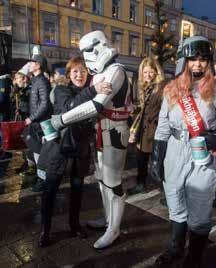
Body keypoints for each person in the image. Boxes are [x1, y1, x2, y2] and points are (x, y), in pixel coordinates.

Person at [150, 36, 216, 267]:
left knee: (199, 212)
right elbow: (163, 126)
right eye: (193, 59)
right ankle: (176, 249)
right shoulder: (171, 89)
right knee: (175, 205)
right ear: (185, 61)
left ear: (209, 62)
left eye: (203, 60)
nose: (197, 64)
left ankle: (194, 258)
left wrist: (214, 138)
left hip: (203, 157)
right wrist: (156, 157)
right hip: (174, 153)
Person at [51, 31, 131, 249]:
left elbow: (96, 105)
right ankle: (108, 221)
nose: (86, 57)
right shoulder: (102, 73)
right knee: (103, 179)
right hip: (100, 131)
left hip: (114, 131)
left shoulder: (116, 71)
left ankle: (113, 230)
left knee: (113, 182)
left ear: (99, 46)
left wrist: (62, 120)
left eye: (88, 50)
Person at [37, 56, 111, 247]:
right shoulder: (63, 90)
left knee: (77, 190)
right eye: (75, 71)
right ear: (69, 74)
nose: (79, 75)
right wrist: (94, 90)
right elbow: (71, 106)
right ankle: (45, 230)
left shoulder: (92, 94)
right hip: (59, 149)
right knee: (50, 190)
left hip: (80, 149)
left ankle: (74, 225)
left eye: (83, 71)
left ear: (88, 74)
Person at [128, 57, 165, 194]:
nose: (147, 76)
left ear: (157, 72)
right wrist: (134, 110)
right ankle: (141, 184)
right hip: (143, 131)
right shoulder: (145, 87)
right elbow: (144, 108)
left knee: (158, 162)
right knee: (141, 160)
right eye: (144, 73)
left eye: (150, 72)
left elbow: (163, 110)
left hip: (154, 131)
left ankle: (165, 189)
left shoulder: (161, 88)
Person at [24, 54, 52, 191]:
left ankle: (43, 181)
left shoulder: (41, 81)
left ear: (38, 65)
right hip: (36, 123)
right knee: (33, 151)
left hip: (40, 124)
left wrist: (32, 117)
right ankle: (39, 177)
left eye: (31, 62)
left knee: (39, 154)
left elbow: (45, 104)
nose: (29, 64)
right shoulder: (36, 80)